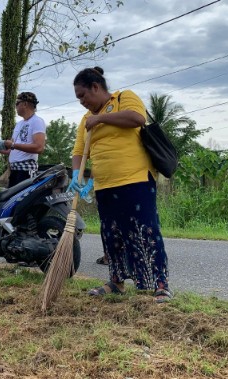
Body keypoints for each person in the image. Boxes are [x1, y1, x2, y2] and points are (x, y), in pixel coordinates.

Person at [68, 66, 172, 303]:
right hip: (105, 185)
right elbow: (78, 152)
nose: (81, 102)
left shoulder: (124, 98)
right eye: (78, 98)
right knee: (112, 234)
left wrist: (100, 118)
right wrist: (77, 174)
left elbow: (137, 118)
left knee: (145, 230)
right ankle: (116, 282)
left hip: (135, 179)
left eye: (83, 95)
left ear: (96, 87)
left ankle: (161, 284)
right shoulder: (86, 119)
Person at [0, 92, 46, 188]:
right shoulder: (19, 124)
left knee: (24, 202)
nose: (15, 107)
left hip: (26, 170)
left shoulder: (37, 121)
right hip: (14, 170)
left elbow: (39, 148)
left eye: (17, 103)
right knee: (12, 200)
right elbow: (10, 150)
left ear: (25, 104)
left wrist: (12, 145)